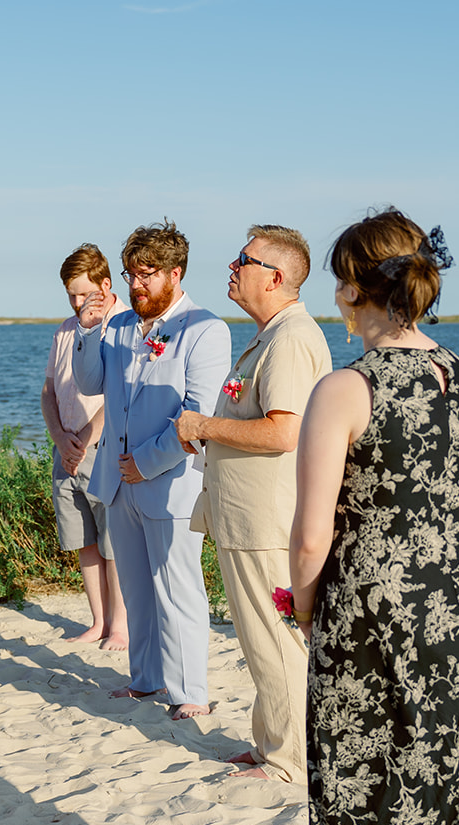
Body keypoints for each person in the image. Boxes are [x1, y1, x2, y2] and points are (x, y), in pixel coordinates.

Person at [285, 210, 459, 825]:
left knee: (361, 784)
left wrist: (301, 604)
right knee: (441, 778)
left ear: (351, 288)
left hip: (372, 619)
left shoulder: (347, 387)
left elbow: (310, 533)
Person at [175, 226, 330, 783]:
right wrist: (214, 434)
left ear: (277, 276)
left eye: (245, 260)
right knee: (260, 639)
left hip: (268, 520)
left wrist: (201, 425)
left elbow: (283, 432)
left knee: (276, 639)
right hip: (244, 517)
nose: (232, 268)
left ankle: (290, 759)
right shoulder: (267, 336)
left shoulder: (289, 339)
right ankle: (272, 742)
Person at [73, 221, 230, 719]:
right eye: (131, 275)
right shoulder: (118, 326)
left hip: (171, 483)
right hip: (119, 483)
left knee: (178, 588)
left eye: (146, 275)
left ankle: (190, 694)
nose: (136, 284)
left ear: (174, 273)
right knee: (138, 589)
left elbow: (199, 414)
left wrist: (145, 462)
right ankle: (144, 680)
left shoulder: (206, 329)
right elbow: (91, 380)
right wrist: (88, 327)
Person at [42, 244, 128, 649]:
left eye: (83, 293)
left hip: (104, 447)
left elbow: (120, 396)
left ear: (105, 285)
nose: (77, 302)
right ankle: (97, 621)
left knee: (115, 543)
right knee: (84, 541)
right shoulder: (64, 330)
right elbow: (48, 391)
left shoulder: (124, 326)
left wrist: (86, 440)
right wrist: (61, 439)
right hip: (66, 449)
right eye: (71, 294)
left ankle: (121, 626)